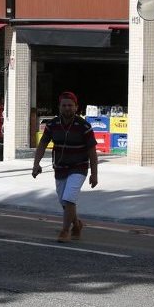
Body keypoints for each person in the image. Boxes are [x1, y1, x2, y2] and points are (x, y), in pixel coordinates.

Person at [32, 91, 99, 243]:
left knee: (69, 199)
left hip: (79, 167)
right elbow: (42, 144)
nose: (67, 108)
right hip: (60, 168)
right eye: (64, 105)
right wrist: (36, 164)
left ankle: (64, 231)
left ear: (76, 107)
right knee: (65, 202)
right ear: (59, 107)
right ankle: (76, 224)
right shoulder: (52, 125)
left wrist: (94, 174)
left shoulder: (84, 126)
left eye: (70, 105)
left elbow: (92, 152)